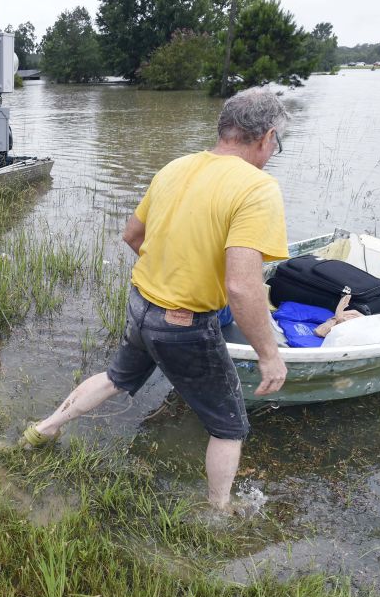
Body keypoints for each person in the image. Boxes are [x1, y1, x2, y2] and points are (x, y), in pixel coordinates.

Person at [21, 86, 290, 512]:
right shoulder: (258, 188)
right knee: (230, 426)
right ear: (266, 137)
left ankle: (44, 429)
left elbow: (132, 235)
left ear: (225, 129)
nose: (274, 151)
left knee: (115, 378)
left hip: (140, 303)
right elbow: (243, 286)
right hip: (183, 324)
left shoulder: (175, 166)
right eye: (278, 143)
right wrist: (269, 355)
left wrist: (171, 272)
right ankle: (219, 512)